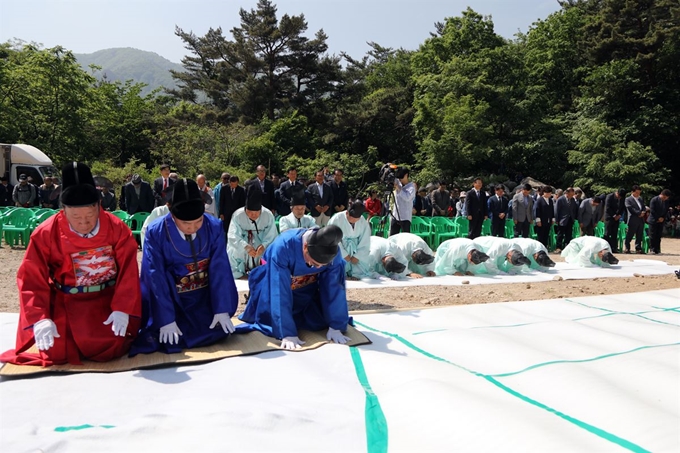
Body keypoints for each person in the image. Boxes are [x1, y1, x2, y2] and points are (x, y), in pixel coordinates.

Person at [0, 162, 141, 366]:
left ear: (98, 207)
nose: (84, 222)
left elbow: (129, 271)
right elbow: (31, 278)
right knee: (55, 351)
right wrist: (40, 318)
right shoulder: (46, 233)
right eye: (76, 216)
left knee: (110, 346)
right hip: (65, 302)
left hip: (105, 302)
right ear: (63, 210)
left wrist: (122, 308)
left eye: (90, 215)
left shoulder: (116, 228)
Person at [130, 179, 238, 355]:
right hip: (173, 299)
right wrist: (165, 318)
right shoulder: (156, 232)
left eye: (198, 222)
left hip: (203, 296)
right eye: (186, 224)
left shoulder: (214, 226)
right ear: (172, 215)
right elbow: (154, 275)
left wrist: (222, 308)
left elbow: (220, 268)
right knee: (167, 338)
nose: (193, 228)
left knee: (217, 331)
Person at [237, 225, 352, 350]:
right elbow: (278, 290)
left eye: (321, 265)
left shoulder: (333, 251)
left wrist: (336, 325)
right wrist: (286, 332)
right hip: (271, 285)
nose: (317, 268)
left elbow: (334, 288)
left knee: (318, 321)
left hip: (307, 289)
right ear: (305, 247)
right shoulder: (284, 246)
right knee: (268, 320)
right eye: (313, 263)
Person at [227, 186, 278, 279]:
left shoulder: (267, 214)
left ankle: (264, 273)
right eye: (250, 212)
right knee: (232, 250)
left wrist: (263, 246)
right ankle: (239, 275)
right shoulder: (238, 214)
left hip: (261, 240)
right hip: (243, 240)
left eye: (256, 212)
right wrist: (245, 246)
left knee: (270, 253)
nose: (253, 215)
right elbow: (232, 234)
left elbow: (272, 235)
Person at [328, 201, 371, 279]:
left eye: (356, 219)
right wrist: (343, 254)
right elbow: (332, 238)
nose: (354, 221)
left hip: (356, 246)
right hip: (340, 245)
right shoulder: (337, 218)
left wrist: (358, 255)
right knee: (338, 261)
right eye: (352, 219)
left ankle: (356, 274)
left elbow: (365, 239)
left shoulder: (362, 220)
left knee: (361, 262)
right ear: (347, 213)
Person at [389, 167, 415, 236]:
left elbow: (407, 198)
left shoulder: (411, 187)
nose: (400, 180)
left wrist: (398, 188)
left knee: (405, 238)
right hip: (395, 215)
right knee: (392, 236)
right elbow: (391, 179)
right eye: (399, 178)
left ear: (406, 175)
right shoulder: (398, 182)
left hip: (405, 217)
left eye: (401, 178)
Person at [647, 189, 671, 254]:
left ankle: (657, 249)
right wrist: (658, 218)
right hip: (653, 220)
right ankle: (652, 249)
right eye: (664, 197)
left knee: (658, 235)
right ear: (661, 194)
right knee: (652, 235)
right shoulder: (654, 200)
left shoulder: (666, 201)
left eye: (666, 198)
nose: (665, 199)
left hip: (661, 220)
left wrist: (663, 218)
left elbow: (666, 210)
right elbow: (652, 210)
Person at [624, 185, 646, 254]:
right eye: (636, 192)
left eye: (639, 193)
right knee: (630, 234)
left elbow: (643, 207)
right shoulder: (628, 199)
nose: (638, 194)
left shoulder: (640, 199)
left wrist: (643, 212)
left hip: (641, 219)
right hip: (633, 219)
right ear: (632, 192)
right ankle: (627, 248)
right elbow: (630, 208)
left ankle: (638, 248)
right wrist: (639, 213)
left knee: (639, 234)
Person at [555, 187, 578, 251]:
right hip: (562, 219)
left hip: (570, 219)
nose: (572, 196)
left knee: (569, 234)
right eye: (570, 194)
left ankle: (567, 246)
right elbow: (557, 210)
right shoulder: (560, 199)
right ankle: (558, 247)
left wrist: (573, 217)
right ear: (567, 193)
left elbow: (574, 209)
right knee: (560, 234)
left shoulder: (572, 200)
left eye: (572, 195)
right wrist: (557, 219)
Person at [604, 188, 626, 253]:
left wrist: (619, 215)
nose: (619, 198)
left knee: (614, 233)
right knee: (607, 233)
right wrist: (614, 215)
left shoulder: (622, 198)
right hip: (609, 217)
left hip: (617, 218)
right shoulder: (609, 197)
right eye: (618, 196)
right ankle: (606, 248)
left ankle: (614, 248)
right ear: (617, 193)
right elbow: (608, 208)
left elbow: (622, 208)